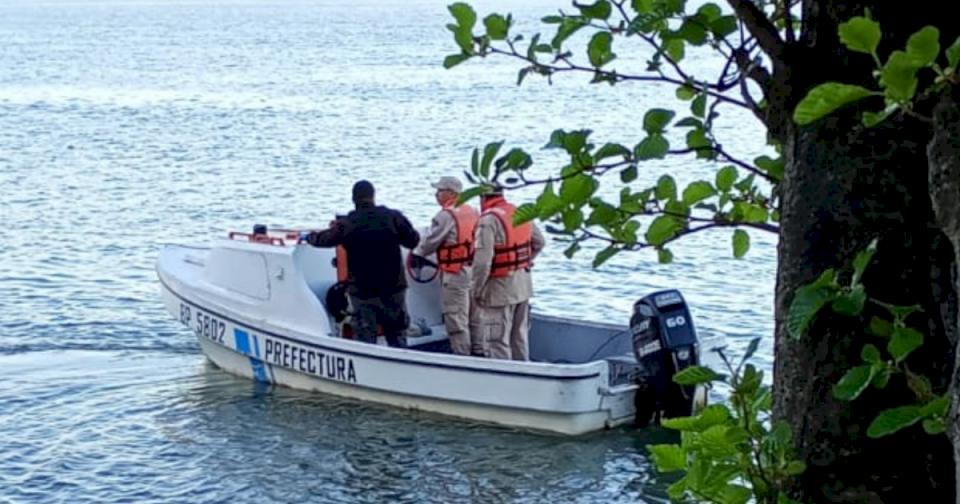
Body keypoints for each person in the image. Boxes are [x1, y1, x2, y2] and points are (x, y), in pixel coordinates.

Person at [304, 180, 420, 348]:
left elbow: (324, 240)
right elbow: (413, 241)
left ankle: (369, 370)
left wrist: (309, 237)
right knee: (398, 337)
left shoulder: (348, 223)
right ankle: (402, 369)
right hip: (394, 287)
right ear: (373, 196)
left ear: (353, 199)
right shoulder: (393, 217)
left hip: (363, 291)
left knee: (366, 341)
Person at [471, 186, 545, 361]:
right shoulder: (519, 212)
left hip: (499, 289)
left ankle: (503, 380)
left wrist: (476, 290)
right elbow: (539, 242)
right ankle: (525, 374)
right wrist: (525, 260)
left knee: (497, 340)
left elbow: (482, 262)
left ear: (483, 198)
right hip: (523, 285)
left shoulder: (488, 220)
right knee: (519, 336)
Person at [412, 176, 483, 356]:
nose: (436, 194)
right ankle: (480, 353)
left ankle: (462, 359)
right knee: (475, 318)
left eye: (439, 190)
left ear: (451, 193)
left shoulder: (445, 216)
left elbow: (430, 244)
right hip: (474, 270)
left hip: (455, 273)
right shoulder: (473, 211)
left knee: (456, 319)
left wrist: (416, 254)